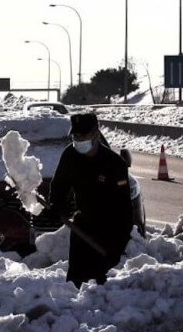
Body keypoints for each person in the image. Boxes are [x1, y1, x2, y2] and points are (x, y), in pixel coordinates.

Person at [48, 113, 134, 288]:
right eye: (75, 136)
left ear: (95, 133)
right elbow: (59, 186)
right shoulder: (70, 155)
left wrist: (117, 247)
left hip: (107, 230)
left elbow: (125, 209)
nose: (78, 140)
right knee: (75, 281)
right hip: (82, 226)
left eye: (82, 135)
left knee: (98, 285)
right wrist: (56, 207)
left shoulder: (114, 164)